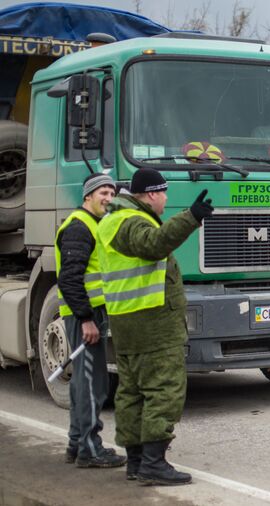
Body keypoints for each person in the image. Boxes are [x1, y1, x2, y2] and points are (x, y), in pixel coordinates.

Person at [97, 169, 213, 485]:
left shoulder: (114, 218)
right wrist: (191, 217)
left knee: (132, 391)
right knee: (164, 388)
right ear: (151, 194)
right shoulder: (131, 221)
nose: (165, 201)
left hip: (129, 320)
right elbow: (154, 244)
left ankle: (136, 462)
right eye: (164, 195)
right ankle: (153, 463)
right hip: (151, 322)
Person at [56, 173, 126, 469]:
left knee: (85, 383)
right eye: (103, 193)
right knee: (91, 384)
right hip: (84, 315)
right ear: (88, 196)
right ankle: (89, 449)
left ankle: (77, 443)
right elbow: (69, 279)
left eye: (112, 193)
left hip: (90, 313)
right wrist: (86, 320)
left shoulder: (94, 224)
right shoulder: (79, 227)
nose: (108, 198)